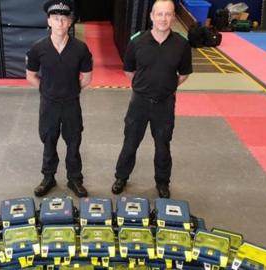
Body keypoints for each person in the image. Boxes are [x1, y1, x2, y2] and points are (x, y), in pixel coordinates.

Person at [111, 0, 192, 198]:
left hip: (164, 104)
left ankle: (162, 182)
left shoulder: (182, 44)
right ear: (152, 16)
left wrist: (167, 87)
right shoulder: (137, 41)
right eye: (160, 14)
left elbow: (183, 74)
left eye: (168, 14)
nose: (163, 19)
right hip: (139, 103)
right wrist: (143, 87)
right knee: (130, 142)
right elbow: (129, 71)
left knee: (163, 145)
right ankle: (121, 177)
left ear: (173, 17)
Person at [26, 0, 93, 198]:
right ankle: (48, 177)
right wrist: (47, 91)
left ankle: (75, 179)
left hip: (71, 104)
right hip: (49, 105)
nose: (60, 23)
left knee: (74, 142)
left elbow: (87, 77)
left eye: (64, 19)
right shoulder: (38, 48)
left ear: (70, 22)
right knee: (49, 141)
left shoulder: (80, 48)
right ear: (49, 21)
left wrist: (70, 90)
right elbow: (30, 75)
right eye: (56, 19)